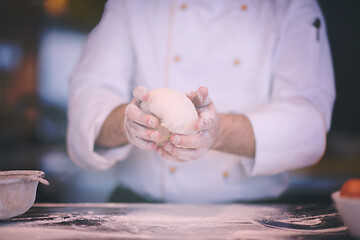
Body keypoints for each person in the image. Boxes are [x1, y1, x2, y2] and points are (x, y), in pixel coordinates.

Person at [67, 0, 335, 203]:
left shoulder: (290, 5)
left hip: (254, 216)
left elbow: (309, 124)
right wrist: (129, 124)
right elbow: (88, 100)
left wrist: (218, 131)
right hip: (139, 208)